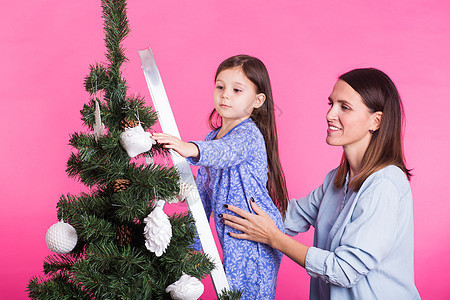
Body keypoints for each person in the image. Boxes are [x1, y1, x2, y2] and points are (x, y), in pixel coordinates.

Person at [221, 68, 421, 299]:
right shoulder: (336, 181)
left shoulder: (385, 185)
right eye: (331, 104)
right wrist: (222, 184)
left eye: (344, 107)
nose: (330, 114)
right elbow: (282, 218)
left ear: (376, 121)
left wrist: (274, 239)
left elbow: (344, 270)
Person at [152, 55, 288, 299]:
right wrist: (192, 244)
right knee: (231, 289)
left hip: (255, 232)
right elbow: (203, 193)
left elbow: (225, 152)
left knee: (247, 292)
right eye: (220, 87)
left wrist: (190, 148)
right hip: (234, 232)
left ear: (258, 100)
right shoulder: (212, 137)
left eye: (237, 90)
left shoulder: (248, 135)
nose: (225, 95)